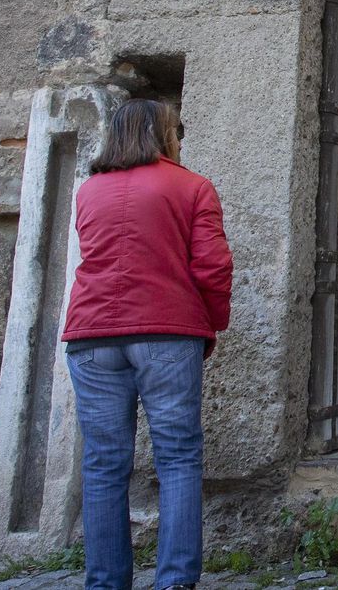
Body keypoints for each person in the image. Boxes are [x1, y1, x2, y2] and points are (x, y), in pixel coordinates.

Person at [60, 99, 233, 590]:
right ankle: (175, 580)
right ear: (163, 133)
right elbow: (214, 267)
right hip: (167, 332)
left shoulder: (88, 191)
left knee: (102, 463)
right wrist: (211, 323)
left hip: (92, 336)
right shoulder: (192, 186)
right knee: (177, 457)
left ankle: (106, 582)